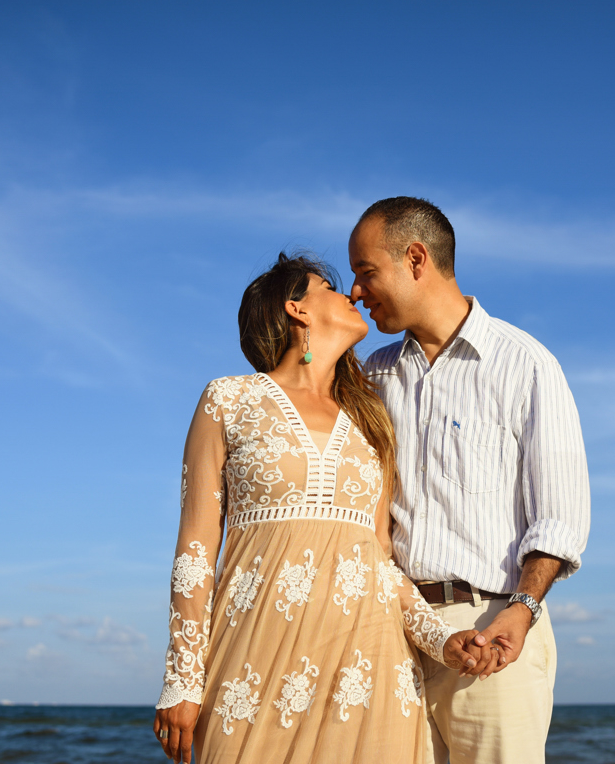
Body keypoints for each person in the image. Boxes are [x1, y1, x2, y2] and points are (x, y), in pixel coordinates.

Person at [153, 254, 502, 764]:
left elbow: (381, 561)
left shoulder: (372, 421)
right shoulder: (228, 400)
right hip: (255, 655)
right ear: (296, 308)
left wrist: (441, 641)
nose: (353, 295)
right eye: (331, 287)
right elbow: (195, 551)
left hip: (367, 665)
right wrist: (181, 680)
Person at [348, 197, 591, 764]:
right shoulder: (371, 376)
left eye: (366, 272)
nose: (356, 291)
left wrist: (521, 610)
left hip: (492, 638)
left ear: (415, 258)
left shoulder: (526, 364)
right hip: (390, 640)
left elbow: (560, 515)